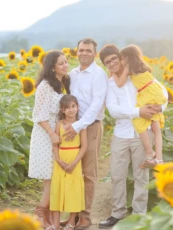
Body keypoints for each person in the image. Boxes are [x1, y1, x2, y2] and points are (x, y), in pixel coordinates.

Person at [98, 44, 168, 228]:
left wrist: (160, 108)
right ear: (105, 65)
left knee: (141, 176)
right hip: (121, 134)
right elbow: (113, 110)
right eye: (108, 62)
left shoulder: (136, 73)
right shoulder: (110, 83)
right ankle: (117, 214)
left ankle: (139, 216)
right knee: (117, 175)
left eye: (114, 58)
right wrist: (139, 112)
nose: (112, 63)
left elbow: (162, 92)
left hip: (141, 133)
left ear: (121, 57)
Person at [61, 38, 108, 230]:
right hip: (72, 128)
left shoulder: (99, 75)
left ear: (94, 54)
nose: (84, 53)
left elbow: (97, 104)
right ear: (76, 52)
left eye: (88, 50)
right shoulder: (72, 74)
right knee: (72, 172)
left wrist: (78, 125)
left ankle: (85, 217)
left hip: (90, 127)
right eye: (81, 50)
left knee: (88, 173)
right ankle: (72, 215)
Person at [28, 50, 70, 228]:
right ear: (52, 68)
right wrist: (52, 134)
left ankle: (48, 216)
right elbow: (39, 115)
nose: (65, 65)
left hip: (57, 133)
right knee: (50, 177)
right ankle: (40, 213)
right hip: (45, 134)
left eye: (66, 62)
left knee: (56, 177)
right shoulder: (45, 86)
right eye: (61, 63)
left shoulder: (63, 83)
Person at [113, 45, 167, 168]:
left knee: (138, 122)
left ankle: (149, 152)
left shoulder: (128, 68)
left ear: (127, 58)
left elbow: (120, 84)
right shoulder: (144, 66)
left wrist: (113, 74)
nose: (121, 61)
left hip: (147, 95)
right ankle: (159, 159)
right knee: (156, 128)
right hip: (156, 92)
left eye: (121, 58)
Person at [49, 95, 87, 230]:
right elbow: (55, 144)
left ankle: (71, 222)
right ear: (62, 110)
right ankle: (56, 224)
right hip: (61, 159)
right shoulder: (59, 124)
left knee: (74, 190)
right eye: (67, 108)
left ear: (77, 108)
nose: (71, 110)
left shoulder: (81, 125)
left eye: (73, 106)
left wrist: (75, 163)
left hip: (74, 160)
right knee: (57, 189)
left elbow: (84, 146)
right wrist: (58, 160)